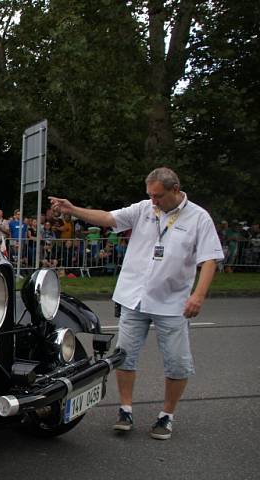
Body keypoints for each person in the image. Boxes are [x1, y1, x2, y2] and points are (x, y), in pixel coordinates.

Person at [49, 167, 223, 440]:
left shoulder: (199, 218)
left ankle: (166, 416)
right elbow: (108, 218)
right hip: (134, 298)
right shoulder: (143, 209)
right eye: (150, 195)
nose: (153, 201)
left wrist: (198, 295)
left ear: (175, 190)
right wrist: (74, 210)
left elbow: (210, 260)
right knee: (124, 356)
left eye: (158, 196)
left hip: (172, 303)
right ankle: (125, 410)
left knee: (177, 363)